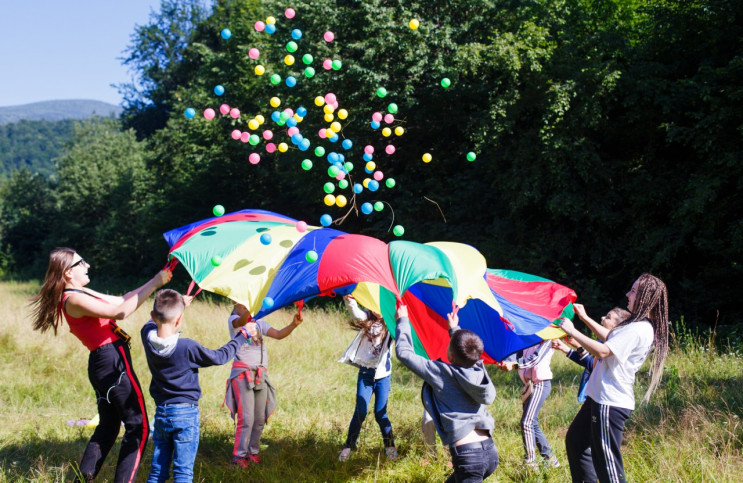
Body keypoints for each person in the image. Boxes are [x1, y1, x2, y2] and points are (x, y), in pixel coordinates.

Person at [30, 248, 171, 483]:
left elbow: (121, 299)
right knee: (139, 427)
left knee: (107, 428)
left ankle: (81, 480)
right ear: (67, 273)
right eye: (81, 263)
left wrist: (155, 280)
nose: (88, 266)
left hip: (103, 362)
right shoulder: (73, 298)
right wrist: (155, 283)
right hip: (112, 361)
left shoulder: (78, 291)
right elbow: (120, 312)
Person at [560, 273, 669, 483]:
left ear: (645, 298)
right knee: (576, 442)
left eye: (634, 291)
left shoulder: (639, 329)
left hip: (609, 403)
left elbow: (602, 351)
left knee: (608, 467)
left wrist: (572, 330)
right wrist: (584, 318)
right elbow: (610, 338)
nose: (628, 294)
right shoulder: (635, 325)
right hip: (597, 398)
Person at [142, 289, 256, 483]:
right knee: (183, 472)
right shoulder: (186, 346)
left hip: (162, 412)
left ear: (153, 315)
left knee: (157, 470)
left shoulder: (147, 336)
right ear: (179, 319)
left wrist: (178, 305)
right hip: (186, 414)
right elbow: (220, 356)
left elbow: (149, 323)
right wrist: (242, 335)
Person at [395, 304, 498, 482]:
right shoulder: (478, 371)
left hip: (468, 458)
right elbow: (466, 351)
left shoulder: (442, 373)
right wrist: (454, 329)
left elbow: (404, 354)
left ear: (450, 356)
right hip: (490, 453)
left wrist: (403, 320)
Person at [224, 302, 303, 467]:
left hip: (261, 374)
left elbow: (279, 334)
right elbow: (241, 321)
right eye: (243, 303)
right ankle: (239, 457)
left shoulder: (259, 323)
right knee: (246, 418)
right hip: (243, 374)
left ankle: (252, 452)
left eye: (249, 302)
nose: (246, 306)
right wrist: (252, 309)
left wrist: (293, 325)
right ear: (235, 303)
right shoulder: (234, 319)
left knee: (259, 418)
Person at [337, 295, 397, 462]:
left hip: (383, 376)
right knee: (360, 412)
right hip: (366, 374)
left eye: (381, 307)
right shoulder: (366, 319)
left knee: (380, 413)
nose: (377, 311)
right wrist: (349, 300)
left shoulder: (391, 323)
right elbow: (355, 313)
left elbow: (404, 331)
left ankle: (390, 446)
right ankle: (349, 446)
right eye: (374, 307)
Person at [500, 340, 559, 469]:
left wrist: (514, 365)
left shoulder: (548, 338)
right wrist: (505, 361)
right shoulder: (530, 337)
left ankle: (530, 463)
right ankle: (551, 460)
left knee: (526, 422)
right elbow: (516, 352)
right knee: (532, 423)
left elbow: (534, 359)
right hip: (529, 385)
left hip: (540, 383)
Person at [552, 307, 630, 403]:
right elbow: (591, 364)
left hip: (604, 399)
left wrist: (578, 346)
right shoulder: (602, 341)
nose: (602, 317)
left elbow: (592, 365)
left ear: (617, 326)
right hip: (595, 396)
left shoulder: (611, 345)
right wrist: (565, 348)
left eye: (608, 317)